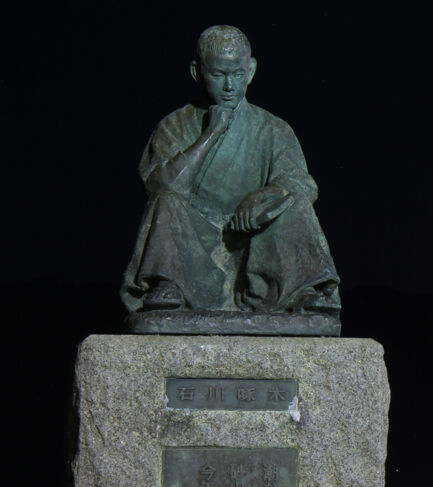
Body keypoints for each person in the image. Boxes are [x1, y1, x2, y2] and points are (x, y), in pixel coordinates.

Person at [121, 25, 340, 317]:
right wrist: (210, 135)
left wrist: (266, 196)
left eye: (237, 74)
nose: (229, 86)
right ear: (197, 73)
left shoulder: (273, 129)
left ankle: (303, 292)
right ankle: (169, 284)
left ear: (250, 71)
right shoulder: (173, 126)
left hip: (255, 239)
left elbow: (301, 183)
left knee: (295, 203)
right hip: (194, 244)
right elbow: (161, 187)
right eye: (218, 75)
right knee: (166, 200)